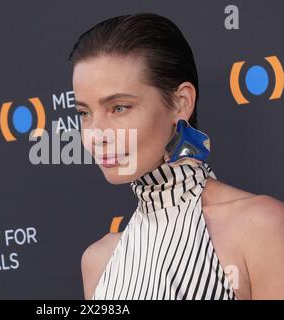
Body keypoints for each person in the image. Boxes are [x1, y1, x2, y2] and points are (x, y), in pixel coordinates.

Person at [68, 13, 284, 300]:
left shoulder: (260, 227)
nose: (96, 135)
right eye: (84, 113)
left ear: (181, 103)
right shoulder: (98, 261)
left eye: (119, 108)